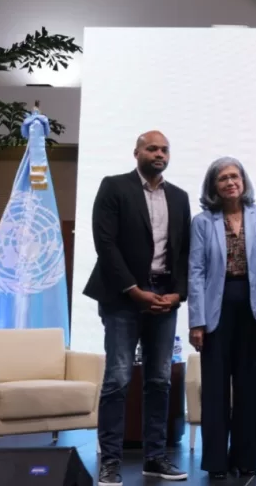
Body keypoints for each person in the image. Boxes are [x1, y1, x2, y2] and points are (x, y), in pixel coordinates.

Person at [84, 131, 191, 486]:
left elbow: (183, 252)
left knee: (160, 380)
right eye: (152, 148)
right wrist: (133, 290)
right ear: (137, 153)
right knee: (118, 379)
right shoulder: (114, 186)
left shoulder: (179, 197)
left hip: (164, 298)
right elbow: (105, 244)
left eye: (165, 149)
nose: (159, 154)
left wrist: (178, 294)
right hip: (122, 298)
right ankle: (110, 462)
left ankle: (155, 458)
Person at [187, 157, 256, 480]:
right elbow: (196, 272)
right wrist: (196, 321)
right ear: (214, 186)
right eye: (222, 178)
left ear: (243, 180)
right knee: (215, 388)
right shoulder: (202, 222)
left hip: (253, 310)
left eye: (234, 176)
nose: (230, 182)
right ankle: (215, 461)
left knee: (249, 387)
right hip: (216, 310)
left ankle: (246, 458)